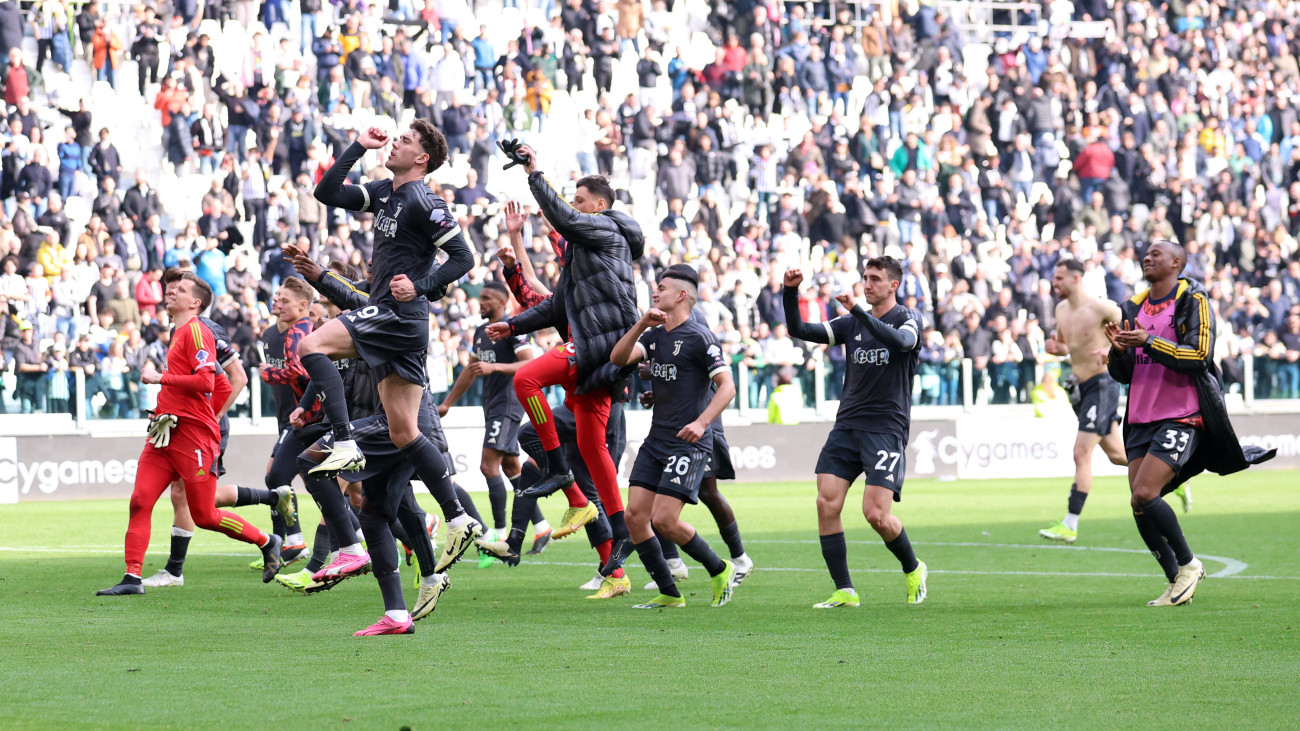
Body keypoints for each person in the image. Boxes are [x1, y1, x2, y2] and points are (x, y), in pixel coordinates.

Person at [298, 122, 481, 573]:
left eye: (404, 141)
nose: (394, 142)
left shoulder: (426, 201)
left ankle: (343, 441)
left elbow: (464, 257)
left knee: (310, 344)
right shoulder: (384, 191)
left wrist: (420, 286)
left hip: (398, 318)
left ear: (422, 158)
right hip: (396, 323)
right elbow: (327, 193)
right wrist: (358, 146)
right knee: (403, 431)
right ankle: (458, 518)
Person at [488, 143, 643, 577]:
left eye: (579, 201)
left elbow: (564, 221)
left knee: (526, 382)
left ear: (600, 205)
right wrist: (513, 326)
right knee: (594, 454)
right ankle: (620, 541)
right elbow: (553, 304)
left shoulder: (606, 230)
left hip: (600, 346)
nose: (573, 209)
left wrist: (535, 173)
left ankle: (558, 475)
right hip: (596, 360)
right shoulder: (582, 254)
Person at [1105, 241, 1275, 607]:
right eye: (1146, 254)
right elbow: (1124, 373)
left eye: (1157, 254)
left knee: (1145, 494)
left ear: (1177, 263)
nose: (1148, 257)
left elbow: (1199, 356)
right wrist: (1118, 351)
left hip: (1181, 414)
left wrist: (1148, 341)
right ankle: (1175, 581)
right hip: (1140, 417)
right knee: (1138, 504)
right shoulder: (1131, 307)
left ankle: (1188, 563)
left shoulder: (1193, 300)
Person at [97, 271, 283, 595]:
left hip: (192, 438)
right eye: (171, 289)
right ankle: (132, 577)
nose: (171, 293)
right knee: (140, 500)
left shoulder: (197, 332)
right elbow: (222, 383)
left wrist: (163, 381)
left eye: (180, 290)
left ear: (195, 303)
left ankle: (267, 541)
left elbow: (209, 382)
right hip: (165, 431)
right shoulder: (178, 331)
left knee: (206, 514)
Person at [783, 258, 928, 608]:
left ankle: (913, 567)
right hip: (847, 425)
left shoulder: (907, 318)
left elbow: (901, 343)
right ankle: (845, 589)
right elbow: (799, 330)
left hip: (885, 428)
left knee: (876, 514)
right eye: (865, 278)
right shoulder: (850, 324)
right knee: (825, 501)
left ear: (894, 285)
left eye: (876, 279)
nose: (868, 284)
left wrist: (861, 313)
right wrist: (790, 292)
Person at [610, 264, 739, 609]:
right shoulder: (654, 336)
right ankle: (669, 592)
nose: (656, 291)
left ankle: (719, 568)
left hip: (689, 441)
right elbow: (618, 357)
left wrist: (702, 423)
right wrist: (640, 324)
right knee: (635, 516)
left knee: (664, 519)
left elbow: (727, 388)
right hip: (657, 440)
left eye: (662, 287)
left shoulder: (700, 338)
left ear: (681, 296)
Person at [439, 277, 546, 559]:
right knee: (512, 468)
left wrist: (494, 366)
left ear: (502, 302)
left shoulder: (515, 330)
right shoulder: (480, 332)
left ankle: (496, 534)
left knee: (488, 466)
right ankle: (543, 526)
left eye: (486, 298)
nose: (481, 302)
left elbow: (530, 363)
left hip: (509, 404)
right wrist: (447, 403)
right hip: (492, 406)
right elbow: (471, 370)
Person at [1038, 259, 1130, 544]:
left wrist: (1111, 350)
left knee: (1081, 453)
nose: (1055, 283)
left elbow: (1134, 331)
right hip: (1081, 387)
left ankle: (1070, 523)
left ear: (1077, 279)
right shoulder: (1061, 310)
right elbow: (1071, 347)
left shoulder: (1103, 307)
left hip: (1103, 384)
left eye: (1059, 278)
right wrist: (1059, 349)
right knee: (1118, 455)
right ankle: (1171, 474)